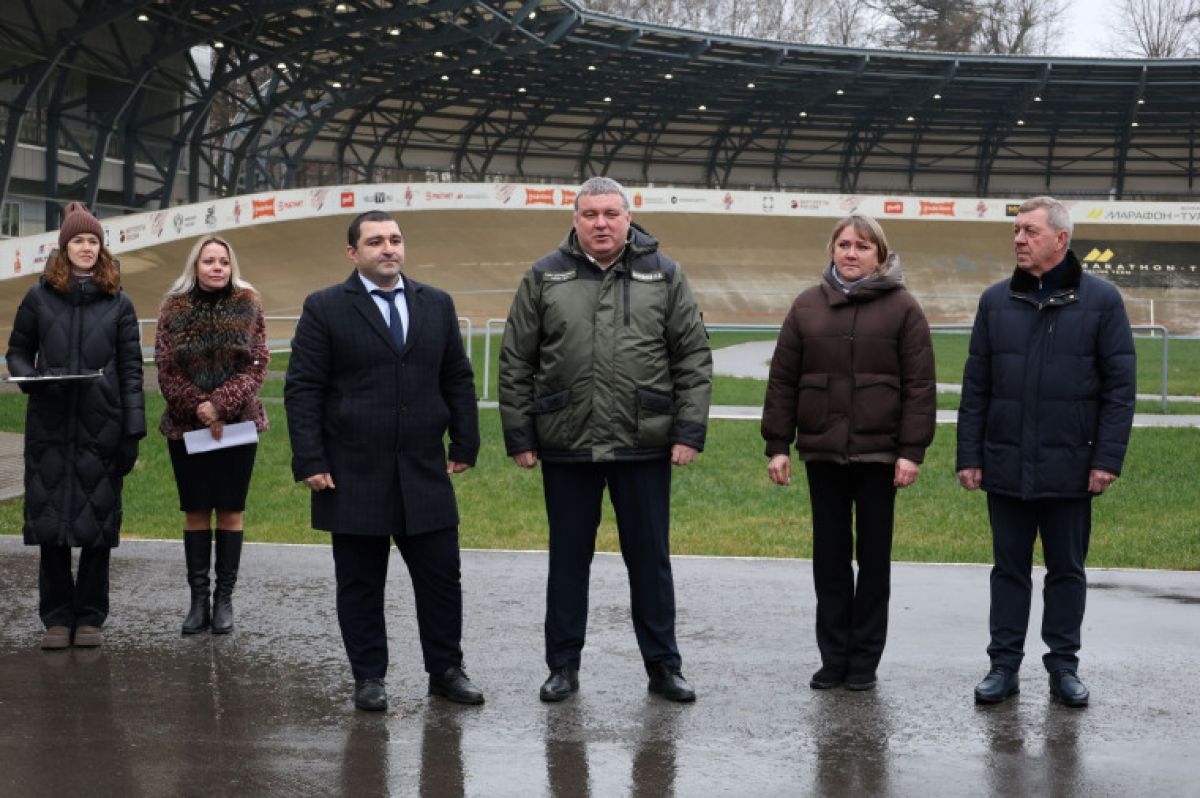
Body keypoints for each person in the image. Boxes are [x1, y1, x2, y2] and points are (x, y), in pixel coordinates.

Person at [499, 176, 712, 704]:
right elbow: (516, 360)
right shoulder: (544, 276)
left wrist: (688, 430)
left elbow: (692, 357)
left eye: (611, 214)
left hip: (643, 442)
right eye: (590, 214)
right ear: (575, 219)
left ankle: (664, 666)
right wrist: (521, 434)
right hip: (567, 443)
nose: (601, 223)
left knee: (650, 562)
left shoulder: (664, 274)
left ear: (628, 218)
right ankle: (562, 667)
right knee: (567, 562)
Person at [284, 210, 483, 712]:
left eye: (395, 239)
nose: (388, 248)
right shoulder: (325, 307)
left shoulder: (436, 304)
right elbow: (303, 388)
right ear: (353, 253)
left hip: (423, 470)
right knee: (360, 584)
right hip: (352, 472)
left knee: (442, 578)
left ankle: (446, 671)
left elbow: (456, 377)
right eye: (375, 241)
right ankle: (369, 677)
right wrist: (310, 458)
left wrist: (465, 442)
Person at [957, 196, 1136, 708]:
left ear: (1060, 239)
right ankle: (1003, 667)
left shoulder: (1102, 301)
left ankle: (1063, 668)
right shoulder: (995, 302)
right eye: (1016, 230)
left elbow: (1120, 388)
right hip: (1006, 463)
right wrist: (969, 454)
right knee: (1008, 571)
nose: (1018, 239)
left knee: (1066, 572)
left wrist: (1106, 459)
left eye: (1030, 231)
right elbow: (977, 386)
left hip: (1071, 466)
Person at [760, 214, 936, 692]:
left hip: (880, 457)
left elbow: (920, 386)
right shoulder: (806, 306)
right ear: (832, 251)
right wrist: (777, 444)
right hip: (823, 454)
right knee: (830, 560)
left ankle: (864, 661)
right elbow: (783, 381)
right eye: (844, 245)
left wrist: (911, 451)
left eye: (862, 246)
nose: (851, 253)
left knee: (874, 561)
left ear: (880, 254)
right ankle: (833, 657)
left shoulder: (904, 308)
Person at [5, 202, 145, 649]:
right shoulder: (39, 297)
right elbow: (17, 351)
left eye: (93, 241)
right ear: (64, 247)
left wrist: (132, 432)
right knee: (52, 527)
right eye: (78, 240)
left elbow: (132, 371)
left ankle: (90, 618)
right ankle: (56, 618)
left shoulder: (119, 303)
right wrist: (32, 380)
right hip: (50, 426)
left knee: (98, 526)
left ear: (102, 248)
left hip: (102, 427)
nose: (86, 247)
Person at [154, 236, 269, 636]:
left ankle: (224, 601)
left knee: (231, 510)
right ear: (196, 266)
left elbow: (257, 363)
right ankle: (198, 601)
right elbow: (165, 367)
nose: (217, 267)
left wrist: (220, 404)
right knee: (197, 510)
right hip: (186, 427)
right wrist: (199, 406)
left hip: (238, 425)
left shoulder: (249, 303)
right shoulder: (173, 307)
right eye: (209, 261)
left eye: (223, 261)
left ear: (231, 266)